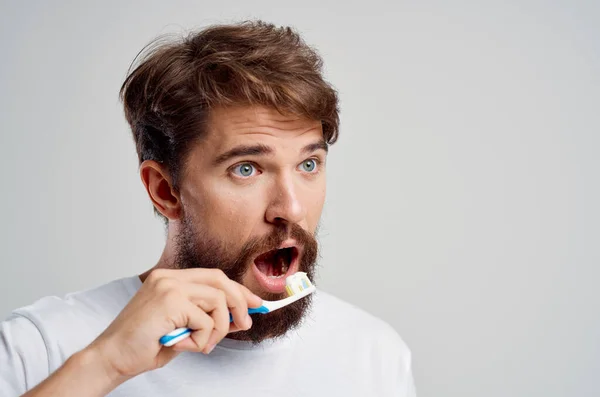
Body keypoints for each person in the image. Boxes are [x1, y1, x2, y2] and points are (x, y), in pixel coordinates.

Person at [0, 21, 416, 396]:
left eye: (309, 164)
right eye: (247, 169)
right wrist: (104, 366)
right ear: (166, 190)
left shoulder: (373, 355)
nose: (290, 208)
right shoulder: (41, 346)